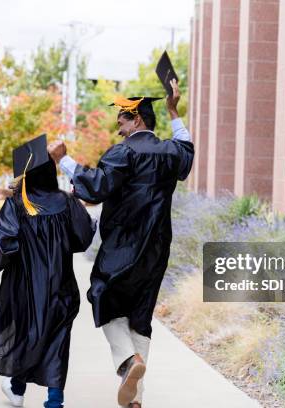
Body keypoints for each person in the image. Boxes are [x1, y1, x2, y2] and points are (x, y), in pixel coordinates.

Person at [48, 79, 194, 408]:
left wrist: (65, 161)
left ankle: (128, 361)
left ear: (137, 119)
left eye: (122, 121)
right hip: (157, 249)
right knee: (140, 315)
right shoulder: (171, 152)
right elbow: (187, 150)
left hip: (123, 245)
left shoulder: (124, 152)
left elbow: (96, 187)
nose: (119, 129)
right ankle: (135, 400)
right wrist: (174, 112)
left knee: (103, 295)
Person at [0, 134, 96, 408]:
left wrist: (0, 257)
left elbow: (3, 245)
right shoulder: (66, 202)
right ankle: (53, 400)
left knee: (27, 333)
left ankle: (17, 387)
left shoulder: (17, 206)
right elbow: (83, 238)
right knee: (57, 341)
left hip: (24, 286)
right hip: (61, 285)